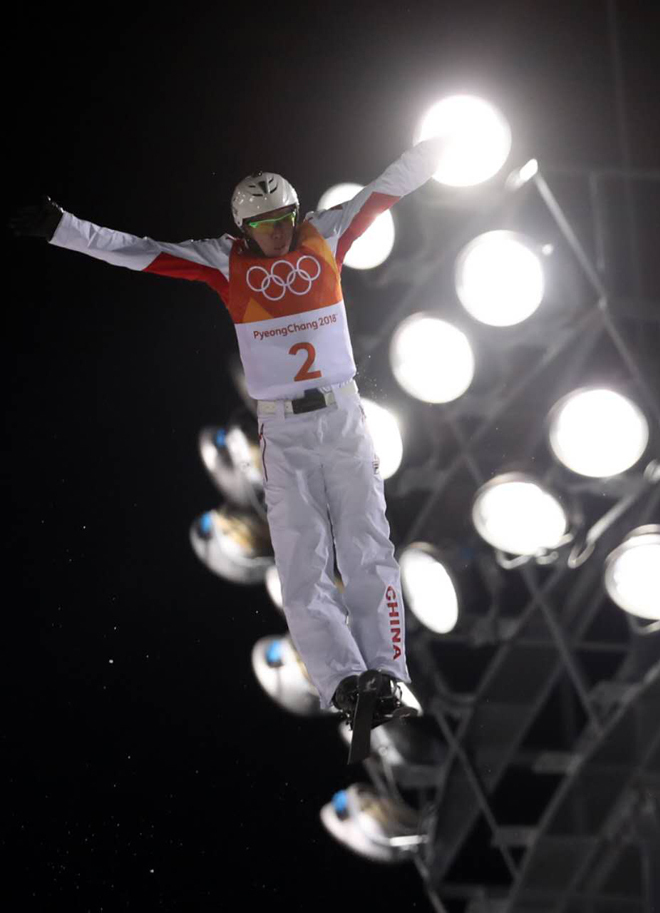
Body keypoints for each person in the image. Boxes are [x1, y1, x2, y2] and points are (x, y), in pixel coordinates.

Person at [10, 135, 449, 728]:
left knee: (367, 547)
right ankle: (343, 681)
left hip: (343, 418)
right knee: (301, 563)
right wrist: (63, 227)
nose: (279, 234)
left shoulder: (326, 233)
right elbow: (139, 251)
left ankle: (389, 674)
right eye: (266, 225)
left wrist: (440, 148)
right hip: (283, 432)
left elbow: (388, 187)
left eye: (285, 220)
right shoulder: (224, 261)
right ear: (243, 226)